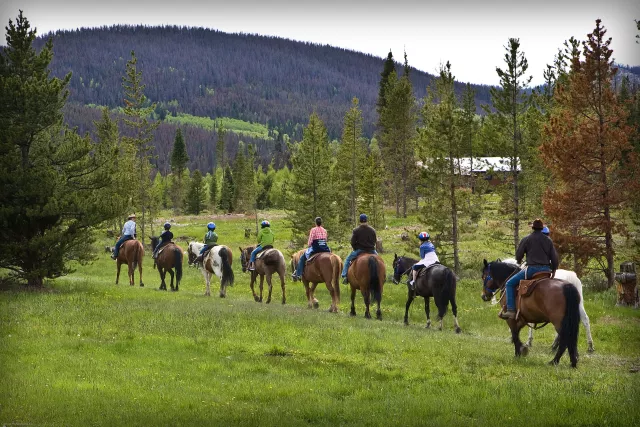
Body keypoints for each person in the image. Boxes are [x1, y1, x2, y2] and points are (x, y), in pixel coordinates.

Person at [500, 218, 559, 320]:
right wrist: (553, 270)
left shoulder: (527, 239)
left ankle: (511, 310)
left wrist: (519, 261)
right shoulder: (548, 240)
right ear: (542, 228)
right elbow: (554, 258)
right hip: (545, 270)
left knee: (509, 283)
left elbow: (519, 255)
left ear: (532, 228)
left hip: (532, 269)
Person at [341, 213, 377, 284]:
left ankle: (345, 275)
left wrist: (355, 249)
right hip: (371, 250)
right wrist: (371, 247)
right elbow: (374, 241)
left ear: (360, 221)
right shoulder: (372, 230)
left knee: (348, 259)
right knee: (380, 260)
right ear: (367, 220)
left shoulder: (356, 230)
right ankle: (383, 276)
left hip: (360, 250)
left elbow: (353, 242)